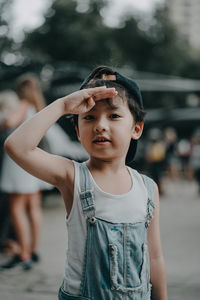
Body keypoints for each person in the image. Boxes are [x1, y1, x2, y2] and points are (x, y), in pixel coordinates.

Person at [3, 66, 167, 299]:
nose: (100, 125)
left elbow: (155, 257)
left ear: (136, 128)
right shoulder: (72, 176)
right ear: (79, 132)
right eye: (89, 117)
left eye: (114, 116)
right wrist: (62, 106)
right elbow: (16, 146)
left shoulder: (148, 188)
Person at [0, 76, 52, 270]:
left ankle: (22, 255)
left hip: (18, 163)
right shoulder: (39, 107)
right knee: (33, 206)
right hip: (33, 160)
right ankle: (32, 250)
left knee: (16, 207)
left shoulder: (23, 104)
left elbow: (9, 122)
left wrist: (5, 117)